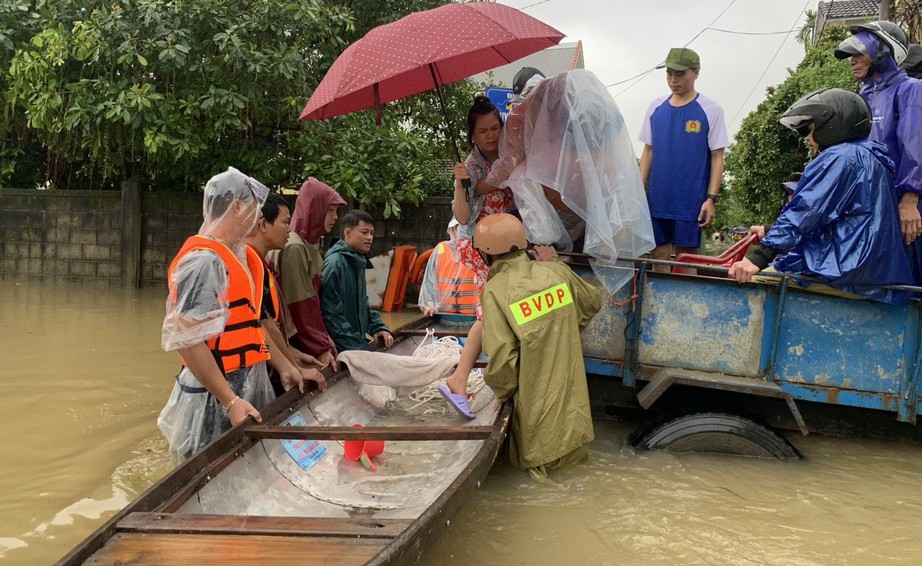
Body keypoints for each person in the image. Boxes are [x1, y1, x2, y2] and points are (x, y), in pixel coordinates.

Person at [728, 88, 913, 305]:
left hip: (844, 269)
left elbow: (806, 211)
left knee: (757, 284)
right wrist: (770, 231)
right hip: (867, 268)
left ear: (832, 124)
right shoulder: (868, 156)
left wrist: (758, 257)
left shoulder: (839, 157)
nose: (807, 138)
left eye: (810, 130)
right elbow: (837, 220)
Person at [157, 167, 275, 461]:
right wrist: (230, 401)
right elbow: (188, 339)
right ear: (237, 206)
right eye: (253, 209)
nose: (257, 217)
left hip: (242, 384)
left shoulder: (238, 255)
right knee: (203, 466)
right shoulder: (204, 262)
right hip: (214, 397)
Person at [474, 213, 602, 477]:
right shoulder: (554, 271)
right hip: (575, 422)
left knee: (537, 485)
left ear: (486, 254)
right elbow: (591, 303)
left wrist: (500, 394)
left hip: (537, 430)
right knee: (576, 478)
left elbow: (502, 358)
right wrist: (557, 265)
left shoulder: (496, 289)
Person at [441, 95, 514, 417]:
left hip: (511, 244)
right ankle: (459, 377)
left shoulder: (514, 152)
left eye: (495, 127)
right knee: (490, 311)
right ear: (472, 135)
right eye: (483, 131)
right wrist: (461, 184)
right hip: (484, 247)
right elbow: (464, 217)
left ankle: (495, 378)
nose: (491, 135)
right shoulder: (469, 166)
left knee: (503, 308)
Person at [834, 21, 922, 283]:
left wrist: (910, 200)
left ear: (884, 52)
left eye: (860, 53)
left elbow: (914, 145)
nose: (852, 61)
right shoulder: (863, 96)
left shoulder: (910, 89)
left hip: (905, 210)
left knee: (908, 288)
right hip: (872, 210)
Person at [639, 47, 729, 272]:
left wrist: (711, 198)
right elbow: (648, 150)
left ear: (696, 73)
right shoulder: (655, 107)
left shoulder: (710, 110)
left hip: (691, 202)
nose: (673, 80)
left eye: (680, 74)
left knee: (686, 257)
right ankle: (656, 305)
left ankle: (683, 306)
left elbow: (718, 156)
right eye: (669, 74)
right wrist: (638, 190)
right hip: (658, 198)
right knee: (658, 254)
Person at [245, 192, 327, 396]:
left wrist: (294, 354)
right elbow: (265, 326)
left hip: (264, 368)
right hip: (251, 375)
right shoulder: (250, 267)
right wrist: (293, 367)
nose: (289, 229)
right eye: (285, 222)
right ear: (263, 224)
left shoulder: (262, 266)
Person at [270, 178, 345, 371]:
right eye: (331, 209)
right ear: (316, 208)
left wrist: (324, 339)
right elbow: (300, 306)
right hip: (296, 345)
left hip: (297, 342)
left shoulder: (306, 244)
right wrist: (320, 347)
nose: (335, 216)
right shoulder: (294, 246)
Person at [320, 209, 393, 352]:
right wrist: (358, 347)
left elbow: (363, 306)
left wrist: (378, 328)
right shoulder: (336, 264)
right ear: (347, 233)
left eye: (372, 233)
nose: (369, 238)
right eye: (364, 232)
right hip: (342, 349)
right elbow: (330, 315)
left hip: (354, 343)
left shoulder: (357, 261)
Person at [418, 217, 478, 317]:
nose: (461, 231)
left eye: (465, 228)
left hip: (473, 316)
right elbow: (429, 281)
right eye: (458, 227)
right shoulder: (441, 249)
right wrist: (429, 305)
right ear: (452, 229)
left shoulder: (478, 250)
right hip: (442, 315)